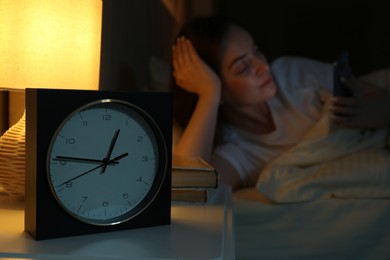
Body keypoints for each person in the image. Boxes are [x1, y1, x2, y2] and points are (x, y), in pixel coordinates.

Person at [170, 15, 390, 190]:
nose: (263, 66)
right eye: (243, 67)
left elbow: (374, 95)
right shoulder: (238, 150)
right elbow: (185, 186)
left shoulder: (292, 74)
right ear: (219, 90)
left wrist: (375, 110)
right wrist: (209, 93)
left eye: (257, 51)